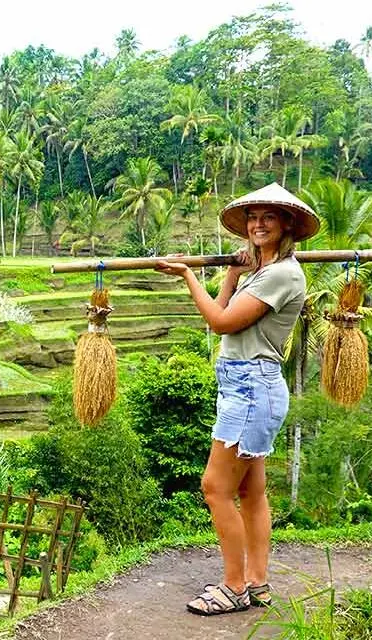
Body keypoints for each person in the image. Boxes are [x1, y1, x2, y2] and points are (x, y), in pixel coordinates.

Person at [153, 183, 320, 616]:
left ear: (287, 224)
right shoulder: (264, 273)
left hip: (251, 388)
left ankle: (232, 587)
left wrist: (188, 275)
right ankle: (257, 584)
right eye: (252, 217)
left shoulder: (284, 273)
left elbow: (222, 322)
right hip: (245, 386)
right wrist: (231, 274)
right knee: (252, 491)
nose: (258, 224)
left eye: (268, 216)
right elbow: (223, 317)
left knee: (215, 488)